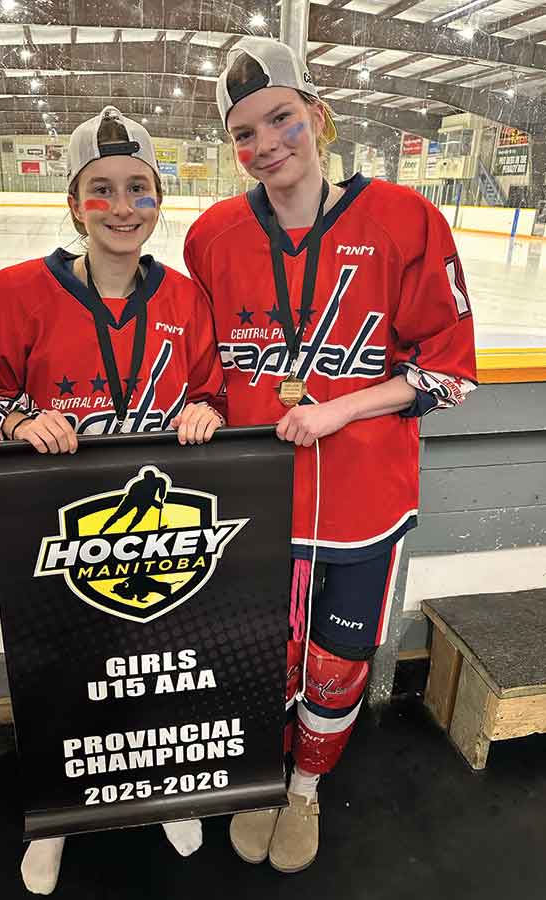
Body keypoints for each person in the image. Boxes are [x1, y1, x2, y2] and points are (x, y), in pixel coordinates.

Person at [184, 36, 477, 874]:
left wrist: (339, 408)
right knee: (260, 654)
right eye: (243, 134)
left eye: (281, 118)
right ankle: (259, 777)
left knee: (336, 660)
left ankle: (305, 786)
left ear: (317, 114)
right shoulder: (211, 236)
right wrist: (204, 405)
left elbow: (447, 371)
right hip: (255, 501)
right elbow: (201, 369)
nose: (265, 144)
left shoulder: (405, 219)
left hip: (360, 502)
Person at [0, 106, 225, 894]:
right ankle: (58, 815)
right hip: (59, 535)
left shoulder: (187, 301)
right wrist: (19, 420)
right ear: (74, 204)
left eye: (139, 188)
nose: (122, 206)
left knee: (158, 670)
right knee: (63, 676)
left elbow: (209, 392)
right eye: (101, 189)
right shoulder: (5, 296)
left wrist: (206, 410)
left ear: (159, 199)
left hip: (159, 533)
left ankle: (164, 786)